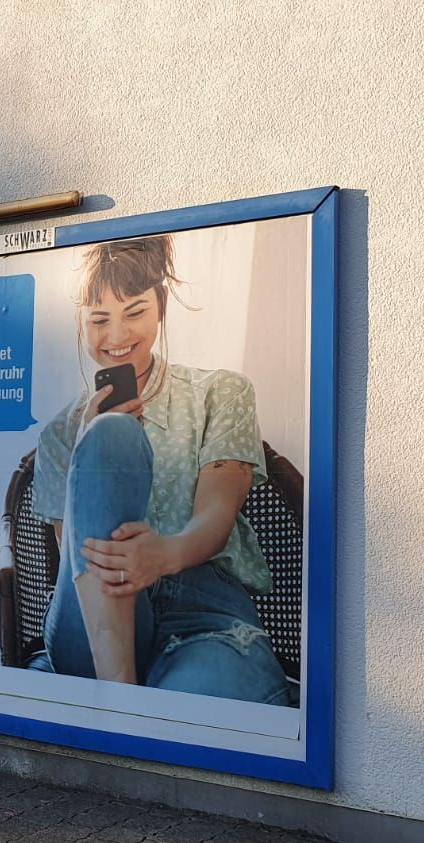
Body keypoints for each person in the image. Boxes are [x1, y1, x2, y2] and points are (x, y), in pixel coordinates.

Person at [27, 235, 292, 705]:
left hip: (202, 617)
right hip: (90, 628)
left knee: (186, 710)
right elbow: (76, 555)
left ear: (160, 306)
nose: (117, 336)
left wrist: (164, 555)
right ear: (81, 323)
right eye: (99, 320)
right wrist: (88, 454)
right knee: (110, 436)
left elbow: (216, 514)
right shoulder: (58, 434)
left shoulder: (220, 393)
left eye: (134, 312)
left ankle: (121, 708)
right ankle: (122, 691)